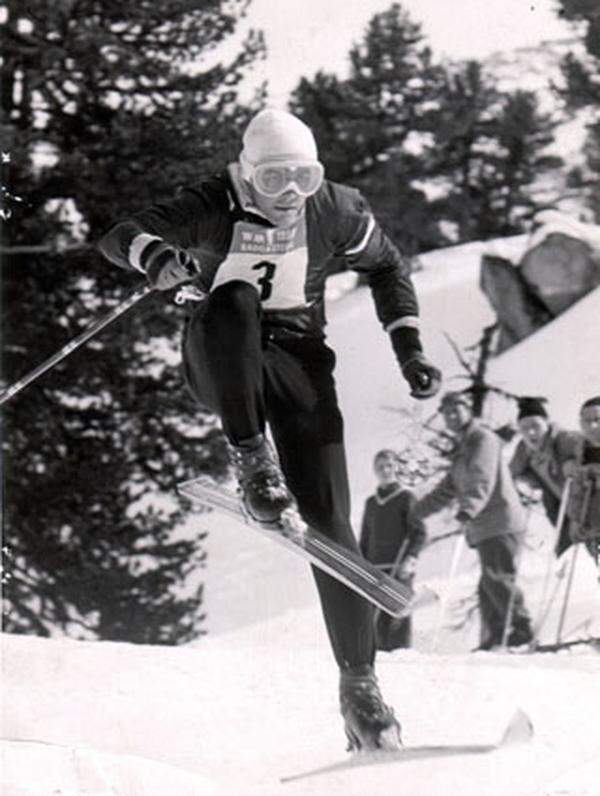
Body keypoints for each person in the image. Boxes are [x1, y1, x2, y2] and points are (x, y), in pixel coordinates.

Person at [97, 109, 441, 751]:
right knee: (233, 298)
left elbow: (389, 268)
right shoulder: (214, 201)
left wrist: (410, 349)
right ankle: (252, 459)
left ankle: (359, 688)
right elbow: (119, 235)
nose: (289, 195)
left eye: (303, 178)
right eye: (275, 178)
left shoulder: (335, 209)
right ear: (246, 174)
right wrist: (158, 257)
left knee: (332, 521)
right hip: (222, 355)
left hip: (299, 358)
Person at [413, 391, 532, 650]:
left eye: (457, 410)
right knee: (488, 584)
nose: (452, 417)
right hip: (485, 526)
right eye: (447, 414)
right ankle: (496, 637)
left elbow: (482, 477)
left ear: (469, 411)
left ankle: (522, 629)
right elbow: (446, 489)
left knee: (497, 578)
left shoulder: (483, 439)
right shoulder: (463, 448)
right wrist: (416, 511)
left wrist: (468, 509)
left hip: (500, 521)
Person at [360, 449, 427, 651]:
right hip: (374, 568)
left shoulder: (406, 497)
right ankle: (378, 655)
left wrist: (411, 558)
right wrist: (361, 563)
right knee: (374, 617)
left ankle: (400, 655)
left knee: (398, 612)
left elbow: (419, 532)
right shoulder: (371, 503)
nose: (385, 470)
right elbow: (365, 538)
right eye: (380, 467)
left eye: (389, 465)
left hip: (399, 567)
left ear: (397, 468)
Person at [509, 397, 580, 557]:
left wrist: (578, 463)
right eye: (524, 428)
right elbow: (509, 474)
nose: (531, 433)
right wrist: (524, 481)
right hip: (566, 512)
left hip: (591, 504)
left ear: (547, 423)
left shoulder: (566, 439)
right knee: (566, 554)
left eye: (536, 425)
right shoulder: (524, 449)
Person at [563, 396, 600, 567]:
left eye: (598, 420)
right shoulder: (581, 452)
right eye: (587, 421)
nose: (592, 426)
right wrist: (575, 520)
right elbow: (577, 493)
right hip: (592, 531)